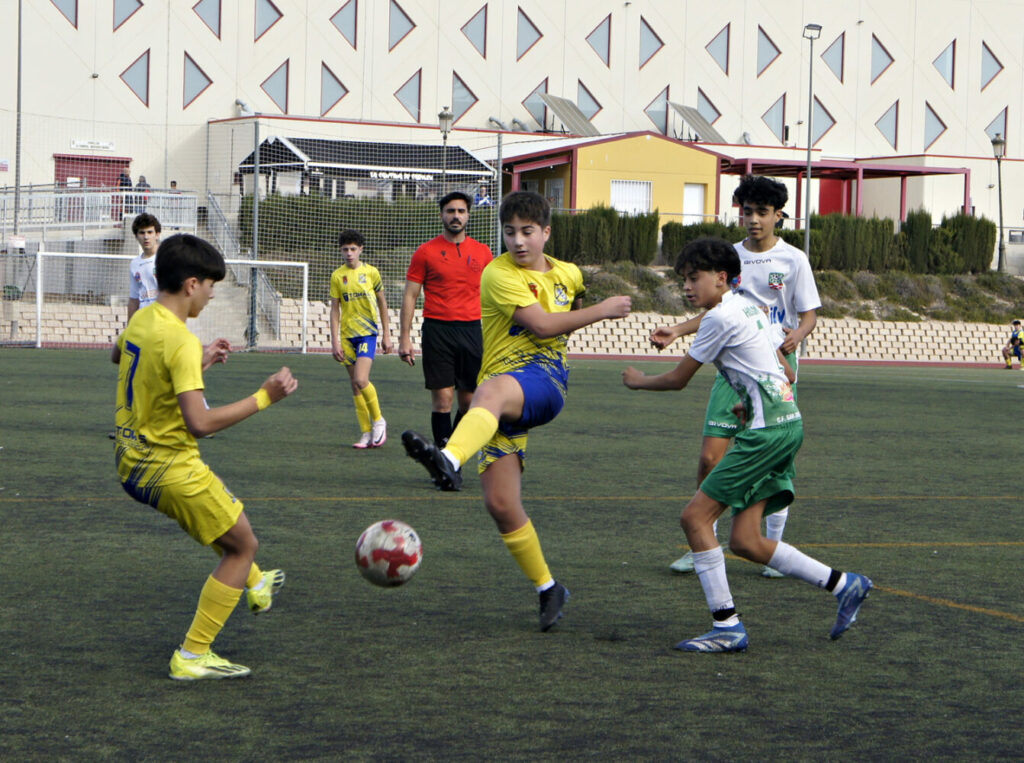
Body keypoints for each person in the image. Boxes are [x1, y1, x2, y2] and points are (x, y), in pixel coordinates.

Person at [623, 237, 871, 652]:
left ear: (722, 278)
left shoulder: (719, 318)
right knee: (745, 541)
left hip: (765, 433)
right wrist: (752, 401)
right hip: (785, 424)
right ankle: (845, 584)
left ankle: (727, 627)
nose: (687, 287)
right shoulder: (749, 307)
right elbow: (787, 374)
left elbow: (679, 379)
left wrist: (638, 380)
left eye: (694, 278)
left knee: (695, 519)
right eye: (683, 279)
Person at [401, 191, 632, 631]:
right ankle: (549, 588)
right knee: (501, 503)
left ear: (546, 232)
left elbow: (568, 308)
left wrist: (588, 312)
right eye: (510, 232)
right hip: (505, 393)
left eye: (528, 232)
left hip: (543, 381)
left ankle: (447, 459)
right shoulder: (497, 273)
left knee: (486, 393)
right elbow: (544, 324)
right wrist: (604, 311)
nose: (518, 241)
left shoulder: (568, 273)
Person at [111, 233, 298, 679]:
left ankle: (254, 583)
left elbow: (120, 354)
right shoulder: (176, 338)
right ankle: (193, 655)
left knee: (224, 530)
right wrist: (265, 397)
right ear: (191, 284)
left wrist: (196, 361)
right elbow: (200, 423)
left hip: (131, 460)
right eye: (211, 285)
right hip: (169, 465)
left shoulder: (145, 318)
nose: (213, 294)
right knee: (243, 545)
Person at [653, 175, 821, 577]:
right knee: (710, 456)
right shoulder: (730, 258)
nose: (753, 220)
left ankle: (772, 543)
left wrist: (798, 333)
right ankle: (701, 542)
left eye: (761, 212)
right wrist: (677, 329)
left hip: (775, 364)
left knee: (772, 455)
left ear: (778, 216)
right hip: (732, 368)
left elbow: (809, 311)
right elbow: (717, 312)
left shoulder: (793, 259)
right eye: (747, 211)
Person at [398, 191, 494, 446]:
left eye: (461, 211)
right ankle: (444, 462)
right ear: (442, 215)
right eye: (450, 211)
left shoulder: (483, 252)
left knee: (468, 402)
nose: (456, 216)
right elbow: (410, 295)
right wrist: (404, 338)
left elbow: (496, 294)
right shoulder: (425, 252)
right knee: (443, 401)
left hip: (472, 331)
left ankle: (452, 456)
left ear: (468, 216)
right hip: (437, 331)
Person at [330, 229, 393, 448]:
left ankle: (378, 421)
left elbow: (382, 303)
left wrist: (387, 334)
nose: (349, 253)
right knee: (355, 386)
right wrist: (335, 341)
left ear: (361, 250)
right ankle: (366, 433)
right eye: (345, 249)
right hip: (347, 337)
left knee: (361, 379)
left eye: (353, 249)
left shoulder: (372, 273)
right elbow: (335, 309)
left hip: (367, 333)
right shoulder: (338, 276)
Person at [127, 213, 162, 323]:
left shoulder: (166, 258)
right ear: (136, 236)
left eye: (150, 232)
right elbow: (134, 299)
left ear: (157, 234)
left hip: (162, 320)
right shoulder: (135, 264)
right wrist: (130, 327)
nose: (146, 237)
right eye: (142, 233)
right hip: (144, 321)